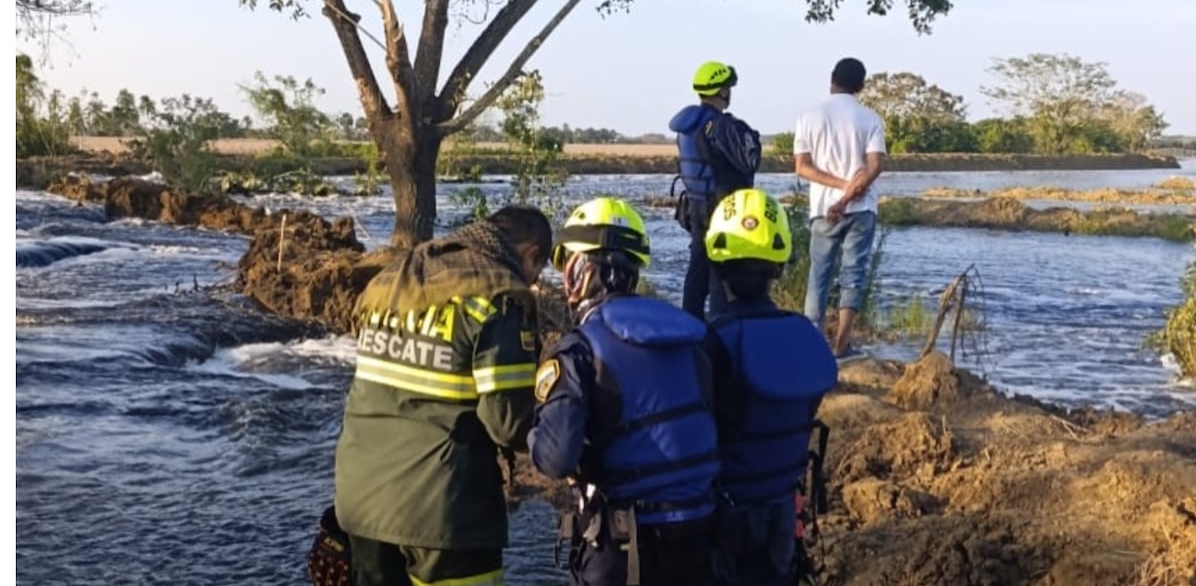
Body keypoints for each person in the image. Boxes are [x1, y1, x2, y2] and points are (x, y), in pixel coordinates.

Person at [332, 206, 552, 586]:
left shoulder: (395, 279)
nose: (534, 282)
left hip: (360, 500)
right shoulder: (498, 294)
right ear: (532, 254)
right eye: (539, 270)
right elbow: (508, 424)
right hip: (444, 512)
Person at [528, 197, 720, 586]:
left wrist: (532, 431)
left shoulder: (581, 348)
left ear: (580, 270)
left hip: (624, 548)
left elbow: (555, 459)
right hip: (701, 535)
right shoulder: (690, 335)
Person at [701, 188, 838, 586]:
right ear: (778, 267)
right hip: (784, 511)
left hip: (723, 517)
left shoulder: (712, 342)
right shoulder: (803, 334)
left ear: (716, 264)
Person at [793, 57, 887, 357]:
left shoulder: (808, 117)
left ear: (831, 80)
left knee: (818, 276)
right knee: (853, 275)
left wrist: (837, 190)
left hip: (822, 208)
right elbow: (874, 167)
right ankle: (842, 346)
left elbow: (802, 168)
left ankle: (812, 346)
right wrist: (849, 192)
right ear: (861, 86)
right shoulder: (870, 119)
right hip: (861, 210)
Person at [669, 60, 763, 321]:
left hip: (696, 208)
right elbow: (748, 162)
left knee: (696, 270)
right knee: (720, 271)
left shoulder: (688, 126)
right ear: (722, 91)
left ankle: (690, 325)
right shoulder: (720, 125)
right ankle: (721, 327)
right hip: (723, 209)